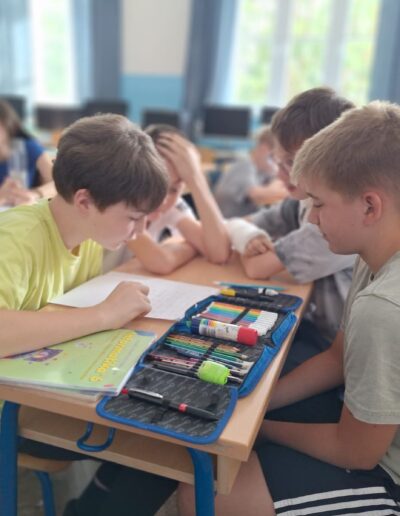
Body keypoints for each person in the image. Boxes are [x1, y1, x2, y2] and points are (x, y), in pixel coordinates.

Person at [179, 100, 400, 516]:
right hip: (366, 429)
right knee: (229, 449)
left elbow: (356, 452)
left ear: (370, 206)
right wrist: (254, 402)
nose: (311, 219)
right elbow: (337, 357)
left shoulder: (384, 307)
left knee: (200, 495)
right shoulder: (374, 255)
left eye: (319, 204)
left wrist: (261, 428)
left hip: (387, 472)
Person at [0, 114, 177, 515]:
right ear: (84, 201)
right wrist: (104, 315)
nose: (138, 232)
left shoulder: (89, 233)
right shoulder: (15, 239)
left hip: (46, 389)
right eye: (132, 218)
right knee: (163, 443)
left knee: (165, 436)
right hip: (12, 411)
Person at [226, 87, 356, 352]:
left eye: (292, 162)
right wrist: (247, 236)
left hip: (335, 348)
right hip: (315, 325)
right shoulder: (302, 202)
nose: (281, 174)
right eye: (279, 161)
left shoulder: (333, 219)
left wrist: (245, 240)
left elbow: (257, 268)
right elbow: (240, 222)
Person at [122, 124, 230, 274]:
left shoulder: (172, 206)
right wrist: (191, 247)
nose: (162, 200)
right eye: (155, 185)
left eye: (173, 190)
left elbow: (219, 253)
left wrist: (196, 179)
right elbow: (161, 262)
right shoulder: (123, 202)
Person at [213, 124, 288, 217]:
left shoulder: (262, 171)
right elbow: (259, 197)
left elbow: (277, 184)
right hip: (229, 222)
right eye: (273, 157)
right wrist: (291, 192)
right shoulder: (244, 166)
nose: (276, 163)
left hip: (244, 221)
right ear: (264, 149)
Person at [0, 100, 55, 205]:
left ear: (7, 123)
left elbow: (59, 184)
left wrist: (35, 194)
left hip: (23, 208)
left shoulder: (28, 147)